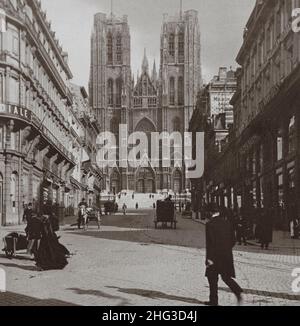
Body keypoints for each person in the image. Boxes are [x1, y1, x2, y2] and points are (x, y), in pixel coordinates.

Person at [205, 205, 243, 306]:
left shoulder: (209, 224)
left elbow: (210, 244)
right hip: (226, 255)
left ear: (210, 213)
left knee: (212, 278)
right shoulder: (227, 223)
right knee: (226, 277)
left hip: (214, 256)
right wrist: (226, 249)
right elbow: (233, 240)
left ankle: (214, 301)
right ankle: (237, 291)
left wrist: (209, 258)